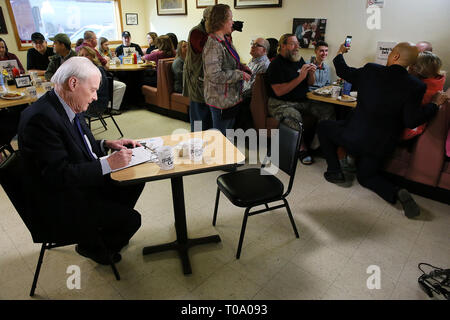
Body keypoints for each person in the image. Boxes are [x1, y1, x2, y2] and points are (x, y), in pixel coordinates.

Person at [18, 57, 144, 264]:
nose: (95, 97)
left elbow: (77, 142)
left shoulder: (63, 103)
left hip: (78, 183)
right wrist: (109, 163)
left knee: (135, 178)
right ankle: (92, 245)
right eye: (93, 90)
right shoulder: (40, 119)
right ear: (73, 83)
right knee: (132, 220)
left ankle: (104, 225)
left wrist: (106, 144)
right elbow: (58, 175)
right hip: (61, 199)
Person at [317, 42, 449, 218]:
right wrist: (434, 104)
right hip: (381, 146)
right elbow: (411, 121)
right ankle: (396, 192)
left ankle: (334, 171)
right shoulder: (416, 86)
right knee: (366, 177)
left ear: (394, 56)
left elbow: (343, 71)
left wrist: (340, 53)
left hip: (353, 137)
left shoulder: (371, 70)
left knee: (324, 126)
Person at [266, 33, 334, 165]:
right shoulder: (276, 65)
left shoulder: (299, 59)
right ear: (283, 46)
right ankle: (302, 149)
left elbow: (309, 82)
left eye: (297, 43)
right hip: (281, 104)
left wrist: (311, 74)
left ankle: (318, 144)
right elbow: (279, 91)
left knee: (327, 109)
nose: (297, 47)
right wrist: (300, 77)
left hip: (302, 101)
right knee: (294, 116)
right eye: (293, 44)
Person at [203, 4, 251, 136]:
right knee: (221, 136)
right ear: (221, 21)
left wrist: (241, 66)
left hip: (230, 98)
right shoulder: (213, 44)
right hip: (220, 100)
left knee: (228, 135)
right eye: (230, 18)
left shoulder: (224, 40)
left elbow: (228, 63)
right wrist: (239, 74)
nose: (233, 22)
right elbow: (215, 75)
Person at [402, 51, 446, 140]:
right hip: (416, 127)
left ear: (415, 69)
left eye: (412, 65)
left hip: (409, 132)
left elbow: (412, 118)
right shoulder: (437, 81)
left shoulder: (421, 89)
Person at [183, 6, 213, 132]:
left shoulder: (211, 31)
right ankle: (196, 145)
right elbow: (207, 50)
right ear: (207, 19)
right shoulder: (197, 32)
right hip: (196, 77)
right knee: (198, 117)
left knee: (208, 117)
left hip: (208, 79)